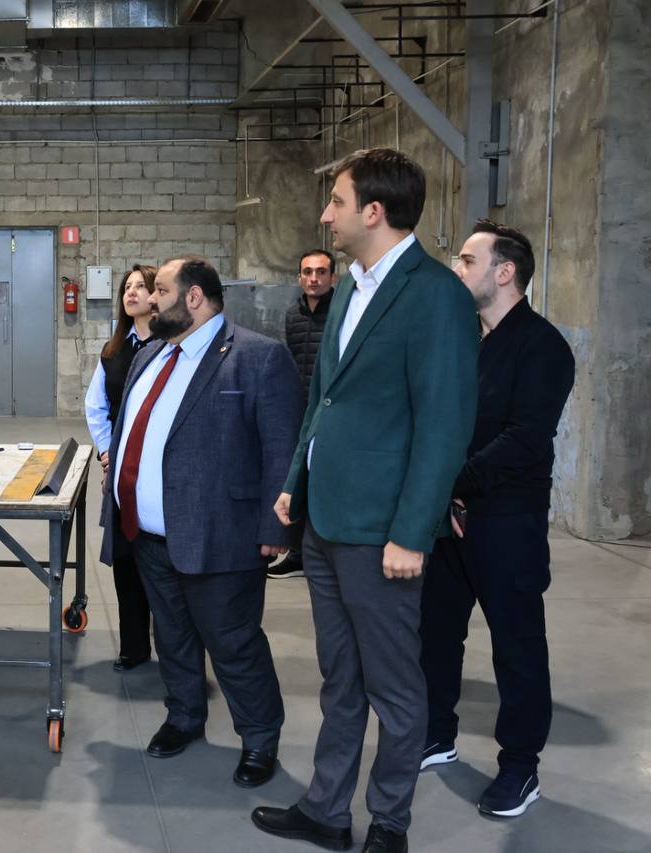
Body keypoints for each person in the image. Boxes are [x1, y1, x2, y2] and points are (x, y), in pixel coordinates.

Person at [254, 148, 479, 853]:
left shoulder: (435, 295)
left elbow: (444, 425)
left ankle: (389, 822)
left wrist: (412, 531)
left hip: (382, 528)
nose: (327, 215)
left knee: (395, 687)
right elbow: (324, 397)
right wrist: (294, 480)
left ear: (373, 212)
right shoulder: (351, 286)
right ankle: (327, 809)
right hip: (326, 520)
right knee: (340, 678)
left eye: (338, 202)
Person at [99, 254, 301, 789]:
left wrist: (275, 528)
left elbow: (282, 448)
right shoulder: (150, 355)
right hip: (149, 534)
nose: (150, 298)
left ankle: (259, 738)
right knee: (171, 635)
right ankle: (185, 715)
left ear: (194, 298)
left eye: (161, 290)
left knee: (233, 643)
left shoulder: (257, 357)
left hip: (221, 533)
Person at [419, 220, 574, 818]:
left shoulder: (542, 346)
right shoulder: (466, 340)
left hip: (506, 522)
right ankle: (436, 734)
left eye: (467, 260)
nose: (456, 269)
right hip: (452, 516)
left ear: (504, 272)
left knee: (517, 647)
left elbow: (525, 440)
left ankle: (520, 768)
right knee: (437, 634)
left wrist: (449, 483)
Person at [84, 264, 157, 672]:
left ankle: (174, 647)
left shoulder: (170, 347)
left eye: (141, 286)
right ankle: (134, 646)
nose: (131, 293)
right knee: (126, 558)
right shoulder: (113, 350)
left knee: (159, 561)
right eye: (127, 287)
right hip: (121, 472)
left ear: (157, 295)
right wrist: (106, 451)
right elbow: (95, 405)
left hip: (158, 471)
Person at [270, 249, 337, 581]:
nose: (314, 278)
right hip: (300, 410)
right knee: (296, 481)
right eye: (308, 272)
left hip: (332, 410)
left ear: (332, 277)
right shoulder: (292, 315)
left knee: (326, 482)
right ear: (299, 277)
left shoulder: (341, 311)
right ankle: (297, 555)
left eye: (321, 272)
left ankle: (327, 554)